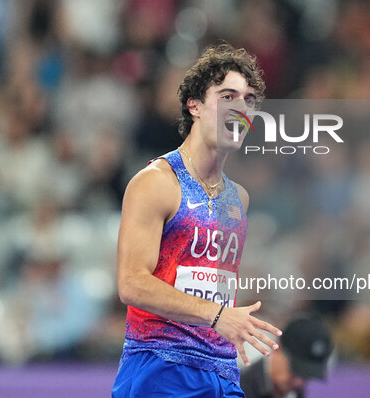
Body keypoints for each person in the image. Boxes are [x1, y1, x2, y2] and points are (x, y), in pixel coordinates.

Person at [112, 43, 283, 397]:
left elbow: (207, 282)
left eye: (249, 101)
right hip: (160, 367)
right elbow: (131, 284)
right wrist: (219, 315)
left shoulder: (239, 200)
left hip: (221, 372)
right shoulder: (156, 182)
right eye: (227, 96)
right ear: (195, 106)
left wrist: (235, 320)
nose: (240, 108)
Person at [240, 316, 333, 398]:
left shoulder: (295, 392)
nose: (299, 382)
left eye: (306, 374)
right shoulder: (238, 389)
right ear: (277, 348)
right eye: (294, 370)